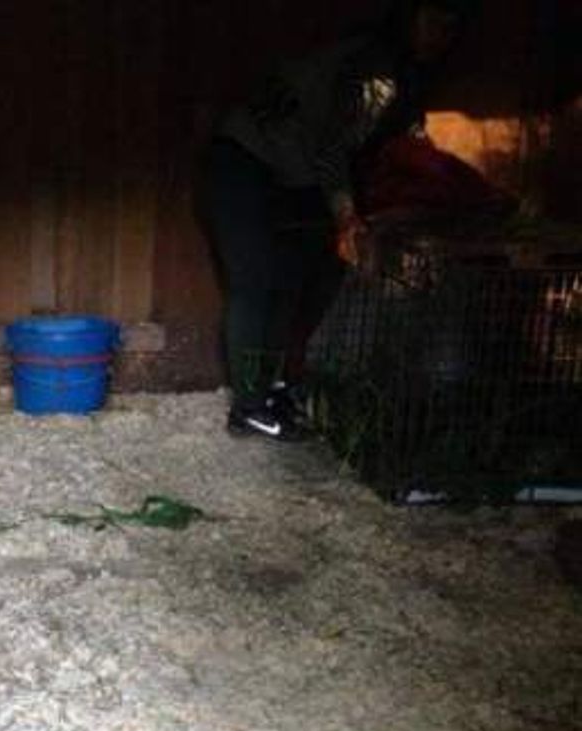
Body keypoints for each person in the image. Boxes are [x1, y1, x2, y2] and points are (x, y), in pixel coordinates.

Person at [199, 0, 476, 441]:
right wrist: (347, 216)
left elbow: (375, 148)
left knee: (295, 279)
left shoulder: (399, 72)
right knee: (255, 282)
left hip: (288, 175)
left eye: (451, 22)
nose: (441, 31)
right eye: (434, 18)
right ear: (409, 19)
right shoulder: (376, 74)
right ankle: (248, 408)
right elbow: (332, 151)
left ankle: (278, 390)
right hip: (243, 163)